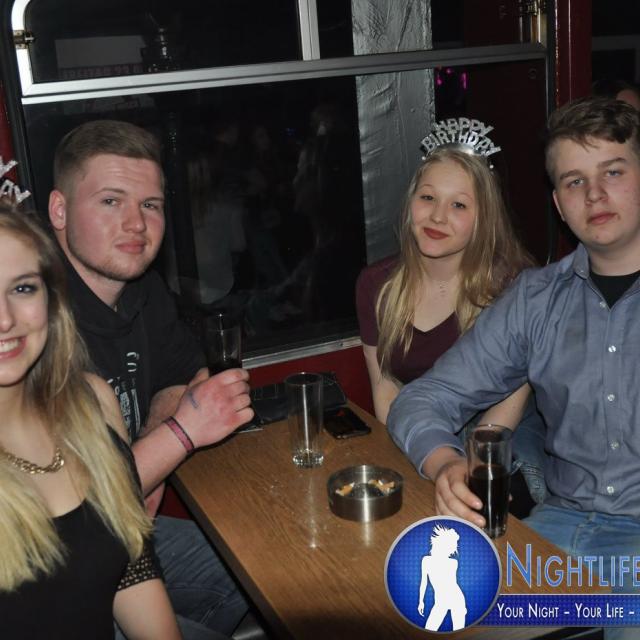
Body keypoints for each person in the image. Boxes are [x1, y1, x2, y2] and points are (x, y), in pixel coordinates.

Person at [388, 96, 640, 640]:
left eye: (613, 172)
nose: (594, 194)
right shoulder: (536, 298)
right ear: (558, 203)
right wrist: (445, 463)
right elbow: (422, 398)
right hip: (556, 527)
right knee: (437, 622)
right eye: (574, 181)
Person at [48, 120, 253, 639]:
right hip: (49, 568)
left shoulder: (143, 289)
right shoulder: (33, 323)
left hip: (120, 536)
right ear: (59, 211)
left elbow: (185, 374)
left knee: (247, 565)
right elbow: (80, 508)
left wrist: (149, 462)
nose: (137, 224)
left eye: (151, 205)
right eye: (111, 201)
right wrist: (177, 437)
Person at [0, 199, 180, 639]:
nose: (5, 319)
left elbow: (131, 564)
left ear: (51, 301)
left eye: (22, 288)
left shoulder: (91, 405)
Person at [357, 122, 547, 507]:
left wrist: (463, 471)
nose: (437, 217)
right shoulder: (376, 284)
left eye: (458, 205)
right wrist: (408, 459)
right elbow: (385, 388)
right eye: (428, 197)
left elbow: (509, 403)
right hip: (416, 432)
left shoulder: (515, 286)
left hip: (499, 442)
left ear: (484, 218)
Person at [418, 525, 466, 632]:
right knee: (429, 629)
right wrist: (421, 601)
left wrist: (462, 608)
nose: (452, 550)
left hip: (456, 599)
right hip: (440, 601)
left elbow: (452, 584)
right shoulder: (426, 560)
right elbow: (423, 583)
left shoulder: (453, 563)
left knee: (459, 632)